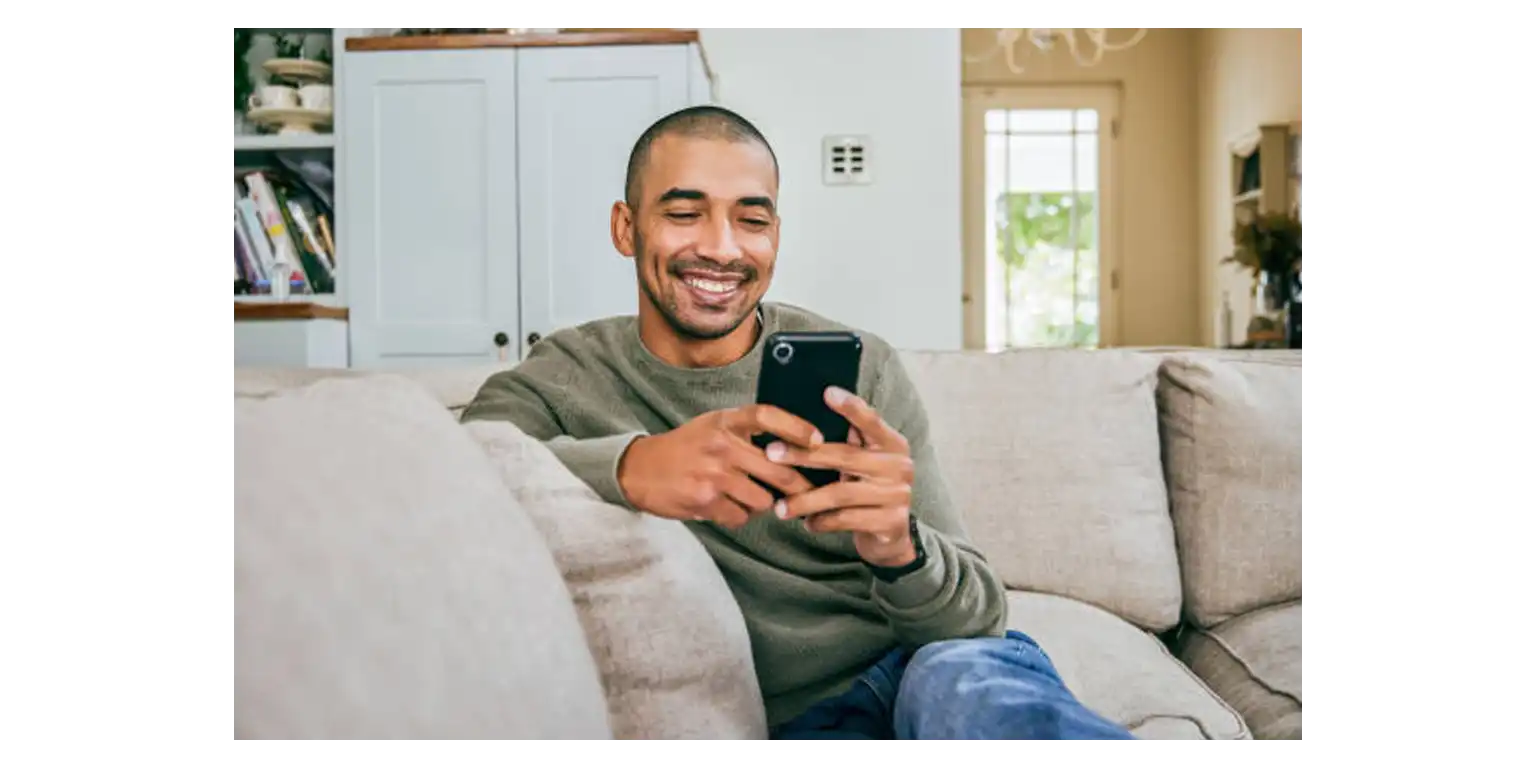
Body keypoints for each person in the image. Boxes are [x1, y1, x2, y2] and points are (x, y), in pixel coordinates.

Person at [460, 105, 1135, 744]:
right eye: (685, 213)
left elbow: (978, 620)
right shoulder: (571, 372)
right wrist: (631, 467)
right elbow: (451, 470)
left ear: (775, 234)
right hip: (802, 721)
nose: (722, 249)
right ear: (626, 228)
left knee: (967, 686)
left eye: (751, 221)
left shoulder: (865, 368)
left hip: (921, 669)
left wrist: (899, 546)